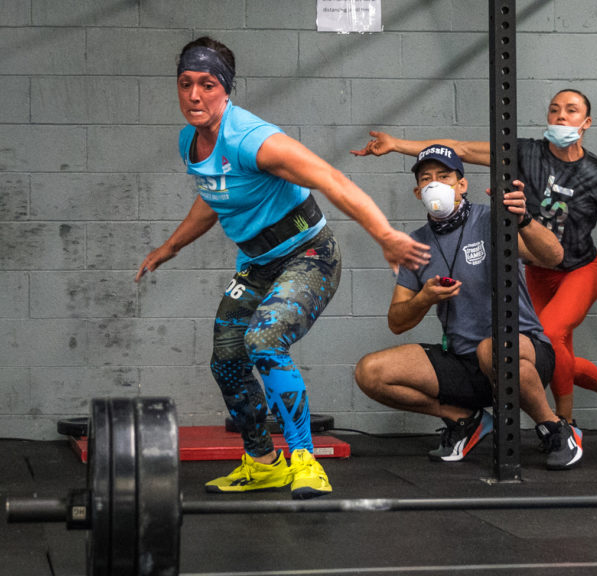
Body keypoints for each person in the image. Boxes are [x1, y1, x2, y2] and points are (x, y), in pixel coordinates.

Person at [135, 37, 430, 498]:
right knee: (227, 360)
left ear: (225, 89)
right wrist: (169, 247)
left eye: (207, 85)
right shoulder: (189, 141)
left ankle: (304, 460)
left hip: (309, 255)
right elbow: (214, 197)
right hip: (257, 263)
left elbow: (331, 178)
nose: (194, 96)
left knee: (265, 340)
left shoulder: (254, 140)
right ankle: (262, 462)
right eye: (186, 84)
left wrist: (384, 233)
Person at [351, 89, 597, 435]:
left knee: (548, 337)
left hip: (577, 267)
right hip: (533, 269)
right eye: (554, 110)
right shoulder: (526, 153)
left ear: (586, 122)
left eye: (571, 111)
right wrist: (396, 144)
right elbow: (459, 150)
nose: (561, 117)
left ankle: (565, 424)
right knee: (539, 352)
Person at [354, 145, 584, 470]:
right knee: (370, 372)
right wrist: (425, 298)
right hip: (464, 362)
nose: (436, 184)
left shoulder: (492, 220)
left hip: (524, 354)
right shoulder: (415, 244)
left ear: (462, 184)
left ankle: (554, 427)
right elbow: (397, 321)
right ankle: (465, 420)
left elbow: (553, 257)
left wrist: (525, 221)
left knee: (492, 349)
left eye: (444, 176)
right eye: (427, 179)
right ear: (418, 191)